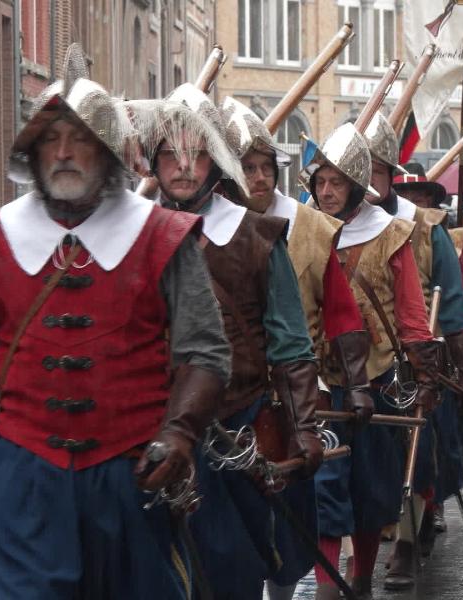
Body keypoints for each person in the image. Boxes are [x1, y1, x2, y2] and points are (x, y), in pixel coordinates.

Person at [0, 45, 232, 597]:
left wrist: (178, 434)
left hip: (132, 474)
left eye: (81, 140)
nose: (65, 153)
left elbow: (204, 352)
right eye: (51, 139)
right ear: (32, 154)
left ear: (108, 154)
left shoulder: (161, 237)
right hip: (26, 477)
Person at [153, 85, 324, 600]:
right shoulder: (138, 235)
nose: (182, 167)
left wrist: (305, 428)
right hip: (155, 434)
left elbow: (291, 345)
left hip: (237, 431)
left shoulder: (256, 237)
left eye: (197, 153)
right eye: (169, 154)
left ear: (216, 162)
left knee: (232, 574)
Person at [220, 97, 373, 599]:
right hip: (221, 394)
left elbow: (341, 313)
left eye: (266, 168)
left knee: (290, 514)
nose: (259, 179)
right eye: (248, 168)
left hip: (294, 390)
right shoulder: (196, 226)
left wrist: (356, 384)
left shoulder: (311, 228)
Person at [308, 123, 438, 600]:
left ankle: (360, 578)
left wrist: (425, 371)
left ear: (356, 186)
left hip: (377, 379)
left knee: (367, 491)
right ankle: (326, 586)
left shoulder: (392, 235)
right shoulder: (303, 233)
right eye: (320, 181)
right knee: (324, 486)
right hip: (318, 381)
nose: (325, 192)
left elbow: (411, 313)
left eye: (336, 182)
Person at [362, 114, 463, 589]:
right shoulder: (327, 220)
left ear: (389, 172)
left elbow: (454, 302)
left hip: (415, 362)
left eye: (375, 170)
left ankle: (408, 542)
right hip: (352, 362)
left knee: (416, 458)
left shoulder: (424, 226)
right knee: (364, 465)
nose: (364, 181)